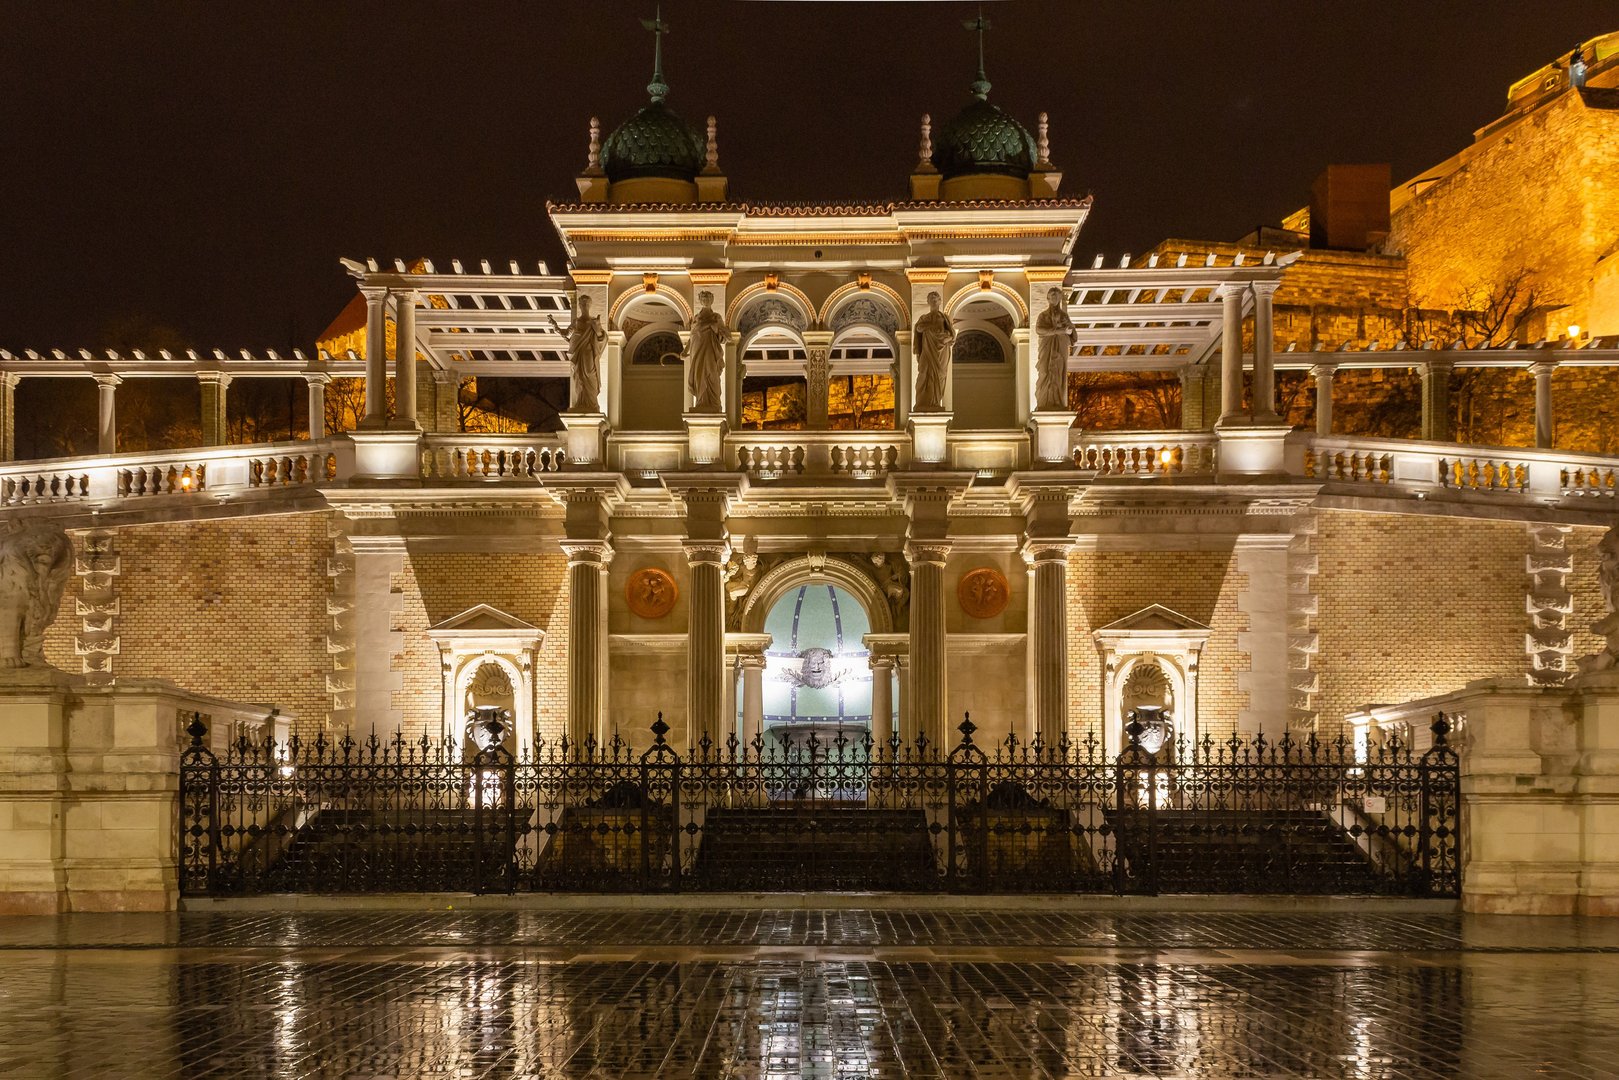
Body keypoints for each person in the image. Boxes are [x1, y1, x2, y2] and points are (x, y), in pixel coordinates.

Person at [547, 294, 606, 412]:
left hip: (589, 352)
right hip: (578, 353)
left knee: (590, 375)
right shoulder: (576, 322)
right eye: (582, 304)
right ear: (579, 306)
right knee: (579, 377)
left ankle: (592, 403)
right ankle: (581, 403)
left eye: (586, 304)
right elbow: (565, 334)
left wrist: (598, 330)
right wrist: (555, 325)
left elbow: (602, 339)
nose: (584, 306)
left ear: (589, 306)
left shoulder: (594, 322)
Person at [684, 290, 728, 413]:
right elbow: (692, 337)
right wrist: (685, 351)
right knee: (699, 374)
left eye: (708, 298)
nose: (706, 300)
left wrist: (714, 328)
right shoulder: (697, 318)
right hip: (697, 349)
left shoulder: (716, 317)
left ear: (712, 300)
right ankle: (700, 401)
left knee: (711, 373)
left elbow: (725, 335)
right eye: (703, 298)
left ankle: (714, 402)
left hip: (710, 349)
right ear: (700, 300)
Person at [912, 291, 955, 413]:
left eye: (936, 299)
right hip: (927, 350)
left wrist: (945, 337)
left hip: (941, 351)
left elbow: (952, 335)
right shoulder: (924, 318)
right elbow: (919, 328)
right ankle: (922, 402)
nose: (934, 301)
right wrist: (930, 327)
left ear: (940, 301)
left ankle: (935, 402)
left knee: (939, 375)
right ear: (928, 302)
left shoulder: (945, 318)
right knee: (923, 372)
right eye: (931, 299)